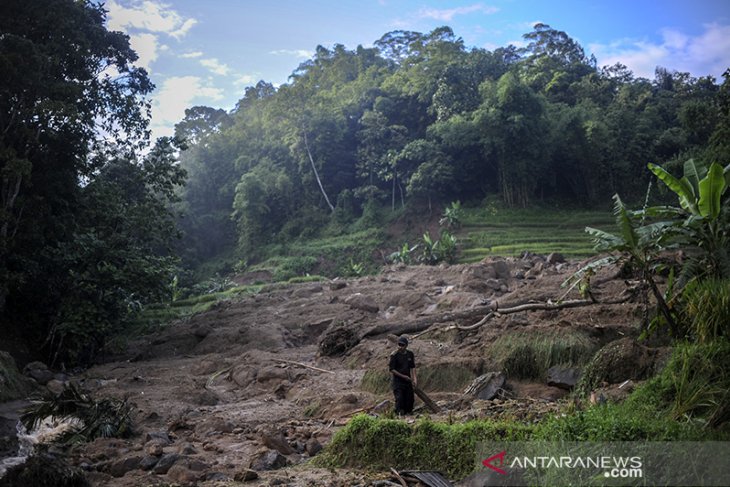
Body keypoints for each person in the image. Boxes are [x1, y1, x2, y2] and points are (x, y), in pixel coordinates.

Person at [389, 335, 417, 415]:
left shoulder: (410, 354)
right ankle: (399, 414)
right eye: (399, 345)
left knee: (410, 398)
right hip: (398, 381)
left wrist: (415, 379)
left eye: (402, 345)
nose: (400, 347)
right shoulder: (394, 355)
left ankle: (409, 413)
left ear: (406, 345)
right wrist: (403, 376)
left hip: (408, 380)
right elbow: (392, 369)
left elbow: (413, 367)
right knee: (399, 398)